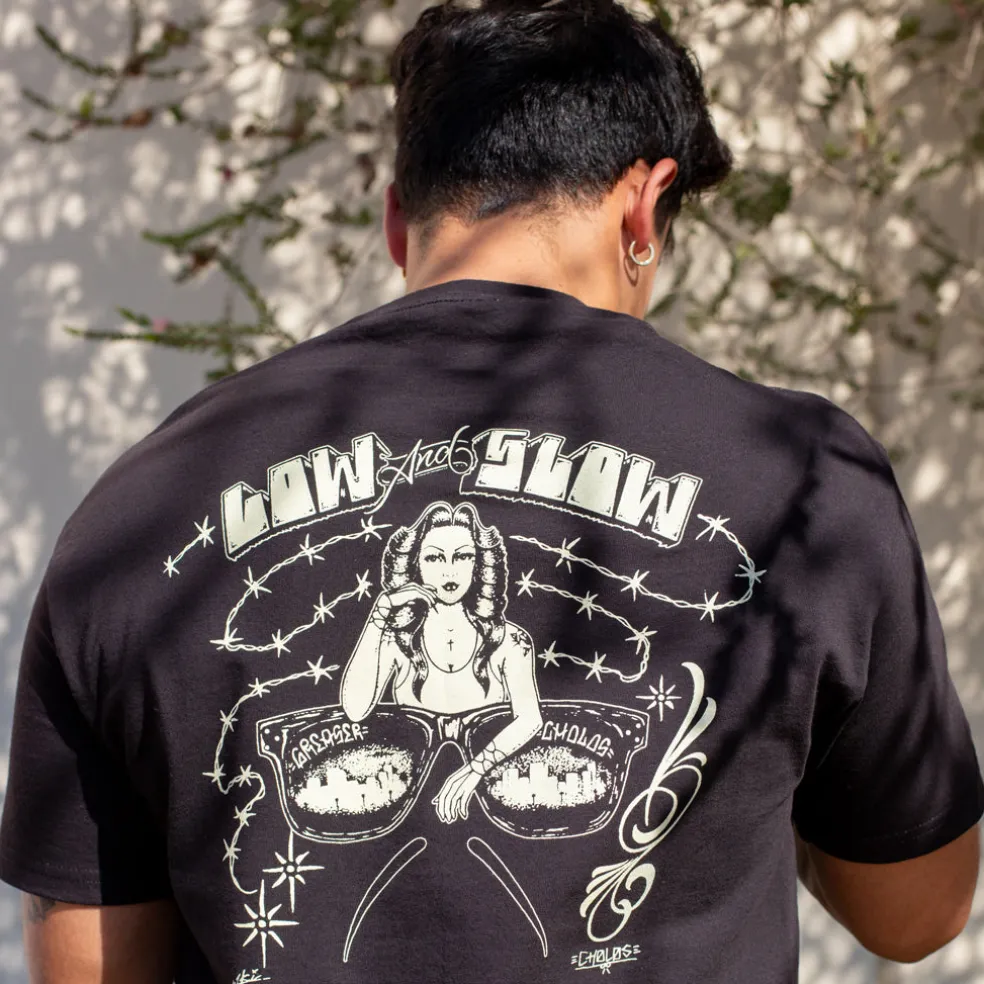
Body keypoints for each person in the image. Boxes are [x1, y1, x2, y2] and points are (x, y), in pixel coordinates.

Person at [1, 1, 981, 982]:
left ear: (398, 220)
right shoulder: (805, 477)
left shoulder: (140, 511)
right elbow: (918, 910)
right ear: (645, 209)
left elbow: (88, 970)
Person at [340, 500, 543, 823]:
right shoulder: (395, 640)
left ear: (479, 564)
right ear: (415, 564)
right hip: (408, 816)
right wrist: (381, 611)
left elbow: (530, 719)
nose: (450, 570)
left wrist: (474, 770)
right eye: (434, 557)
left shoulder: (511, 640)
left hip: (493, 810)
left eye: (463, 557)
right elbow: (355, 709)